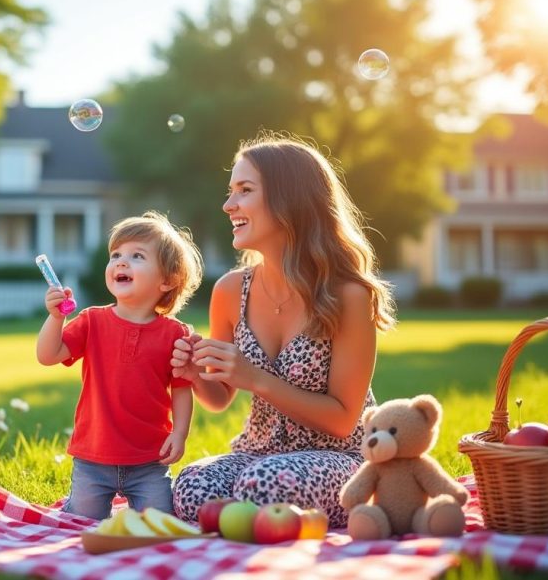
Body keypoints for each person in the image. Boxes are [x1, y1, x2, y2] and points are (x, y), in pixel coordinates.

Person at [169, 132, 396, 527]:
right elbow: (220, 396)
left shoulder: (349, 295)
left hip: (342, 458)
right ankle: (256, 520)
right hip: (257, 452)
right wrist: (194, 374)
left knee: (264, 486)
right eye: (230, 191)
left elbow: (343, 419)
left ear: (287, 199)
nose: (228, 205)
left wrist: (256, 378)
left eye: (244, 190)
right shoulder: (230, 290)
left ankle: (254, 517)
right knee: (193, 487)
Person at [37, 211, 204, 519]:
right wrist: (56, 317)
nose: (120, 262)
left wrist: (179, 434)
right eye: (115, 255)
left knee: (159, 522)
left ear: (168, 280)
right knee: (81, 521)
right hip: (93, 456)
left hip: (149, 460)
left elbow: (182, 390)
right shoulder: (92, 320)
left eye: (136, 256)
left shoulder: (175, 334)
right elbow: (48, 355)